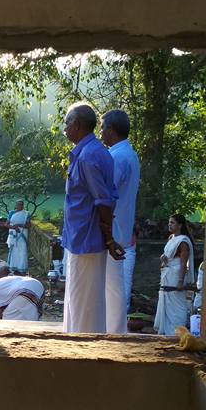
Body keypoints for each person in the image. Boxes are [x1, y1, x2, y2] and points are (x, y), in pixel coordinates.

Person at [60, 103, 124, 334]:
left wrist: (108, 239)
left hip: (87, 240)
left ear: (77, 125)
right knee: (79, 299)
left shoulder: (88, 156)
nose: (65, 129)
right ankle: (77, 342)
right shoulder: (94, 152)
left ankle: (84, 349)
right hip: (81, 239)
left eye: (67, 123)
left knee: (85, 303)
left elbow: (104, 201)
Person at [100, 109, 140, 334]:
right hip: (121, 227)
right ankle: (113, 327)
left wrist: (104, 230)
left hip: (112, 229)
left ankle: (113, 329)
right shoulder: (130, 155)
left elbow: (107, 196)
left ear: (112, 131)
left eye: (103, 128)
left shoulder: (117, 157)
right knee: (113, 283)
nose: (101, 133)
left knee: (111, 284)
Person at [154, 214, 196, 336]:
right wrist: (162, 258)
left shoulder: (183, 241)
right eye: (169, 222)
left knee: (177, 303)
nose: (169, 225)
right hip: (167, 273)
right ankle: (167, 333)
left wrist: (180, 281)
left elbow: (184, 263)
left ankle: (178, 331)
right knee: (166, 299)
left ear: (180, 225)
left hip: (176, 275)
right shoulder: (171, 238)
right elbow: (167, 257)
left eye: (172, 223)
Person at [5, 200, 30, 274]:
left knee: (22, 251)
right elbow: (6, 224)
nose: (19, 206)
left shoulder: (26, 214)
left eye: (21, 205)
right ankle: (13, 267)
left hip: (22, 234)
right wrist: (13, 227)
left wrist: (19, 225)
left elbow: (28, 225)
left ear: (23, 206)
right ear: (15, 205)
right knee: (14, 251)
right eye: (18, 204)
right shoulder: (11, 213)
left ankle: (22, 268)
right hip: (13, 235)